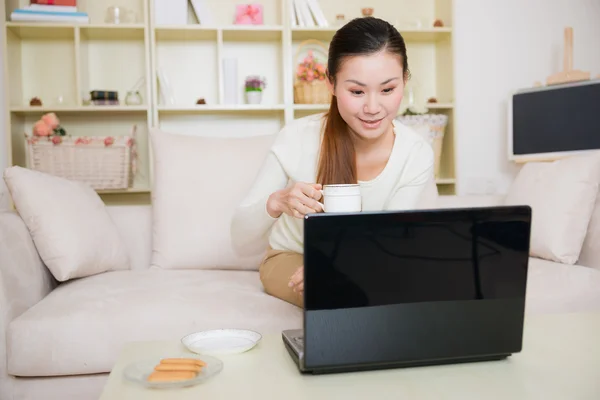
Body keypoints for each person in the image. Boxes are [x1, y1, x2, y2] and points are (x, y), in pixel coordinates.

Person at [231, 17, 437, 308]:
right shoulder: (297, 137)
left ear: (404, 80)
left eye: (387, 90)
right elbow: (239, 239)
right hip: (292, 259)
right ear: (331, 83)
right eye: (356, 91)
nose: (373, 108)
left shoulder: (415, 152)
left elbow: (389, 243)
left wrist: (339, 269)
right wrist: (277, 202)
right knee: (339, 291)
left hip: (370, 261)